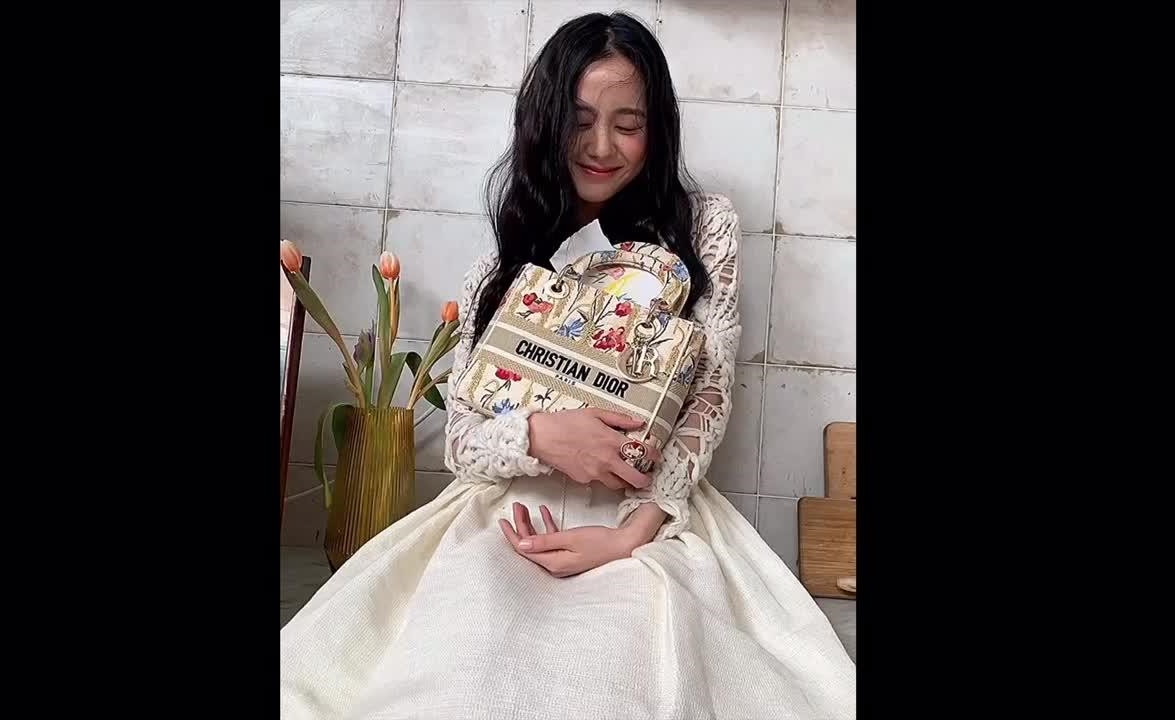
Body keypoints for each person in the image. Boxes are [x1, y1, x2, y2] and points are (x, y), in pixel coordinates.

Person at [280, 12, 855, 719]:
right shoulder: (503, 264)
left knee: (625, 678)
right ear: (544, 122)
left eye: (628, 123)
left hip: (648, 516)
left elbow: (709, 393)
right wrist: (540, 436)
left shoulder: (704, 226)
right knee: (458, 677)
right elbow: (461, 439)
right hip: (509, 513)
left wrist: (629, 535)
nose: (602, 146)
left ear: (658, 129)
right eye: (579, 121)